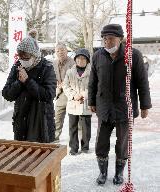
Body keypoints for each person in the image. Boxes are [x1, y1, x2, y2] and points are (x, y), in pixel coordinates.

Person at [88, 24, 152, 185]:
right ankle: (102, 172)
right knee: (101, 142)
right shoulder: (97, 56)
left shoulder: (133, 55)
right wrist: (91, 101)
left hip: (125, 107)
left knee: (122, 142)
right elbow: (92, 82)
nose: (107, 42)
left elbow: (142, 82)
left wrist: (145, 105)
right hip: (104, 107)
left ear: (121, 39)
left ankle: (119, 173)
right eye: (104, 39)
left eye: (110, 38)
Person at [2, 32, 57, 143]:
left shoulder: (47, 67)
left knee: (40, 157)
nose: (23, 60)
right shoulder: (17, 66)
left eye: (26, 58)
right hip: (21, 121)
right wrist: (19, 82)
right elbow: (7, 94)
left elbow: (49, 95)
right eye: (20, 57)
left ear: (34, 55)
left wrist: (27, 81)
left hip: (41, 121)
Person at [63, 48, 92, 155]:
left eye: (83, 58)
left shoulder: (92, 72)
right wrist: (74, 95)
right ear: (75, 59)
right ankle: (73, 148)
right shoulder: (70, 72)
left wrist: (83, 94)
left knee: (86, 128)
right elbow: (66, 86)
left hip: (85, 103)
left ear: (87, 60)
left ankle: (85, 146)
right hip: (73, 104)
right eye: (78, 58)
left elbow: (94, 86)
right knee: (72, 127)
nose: (80, 60)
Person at [53, 42, 75, 141]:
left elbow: (77, 77)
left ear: (66, 51)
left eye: (62, 50)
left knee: (74, 119)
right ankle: (55, 136)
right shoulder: (54, 63)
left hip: (72, 93)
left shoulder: (73, 62)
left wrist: (65, 84)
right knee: (57, 116)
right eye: (58, 51)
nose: (60, 52)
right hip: (60, 93)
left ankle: (76, 140)